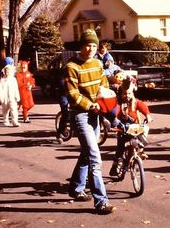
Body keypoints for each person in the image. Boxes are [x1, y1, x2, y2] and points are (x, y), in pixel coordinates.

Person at [65, 29, 116, 214]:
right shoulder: (72, 66)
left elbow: (104, 85)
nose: (91, 49)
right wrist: (90, 105)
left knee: (87, 153)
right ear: (81, 46)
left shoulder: (98, 63)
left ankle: (76, 188)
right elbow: (72, 94)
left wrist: (106, 100)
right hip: (81, 115)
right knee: (95, 157)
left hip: (96, 113)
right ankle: (101, 201)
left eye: (94, 45)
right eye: (88, 44)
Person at [110, 78, 153, 177]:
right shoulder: (119, 104)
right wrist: (115, 124)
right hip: (122, 129)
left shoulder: (135, 102)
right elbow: (115, 114)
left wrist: (148, 116)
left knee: (144, 129)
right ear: (121, 94)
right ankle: (116, 164)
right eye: (125, 94)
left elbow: (143, 107)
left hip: (134, 128)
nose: (127, 96)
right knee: (120, 148)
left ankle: (140, 149)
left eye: (129, 94)